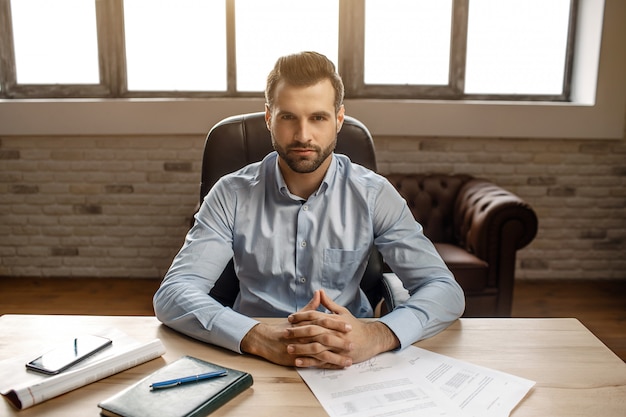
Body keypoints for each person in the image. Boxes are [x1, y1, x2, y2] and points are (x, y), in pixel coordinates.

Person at [153, 51, 465, 369]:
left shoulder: (374, 193)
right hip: (256, 358)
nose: (303, 135)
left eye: (318, 117)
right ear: (268, 118)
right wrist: (257, 337)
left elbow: (445, 290)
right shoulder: (231, 194)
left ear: (338, 120)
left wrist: (377, 335)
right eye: (288, 117)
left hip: (352, 359)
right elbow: (174, 294)